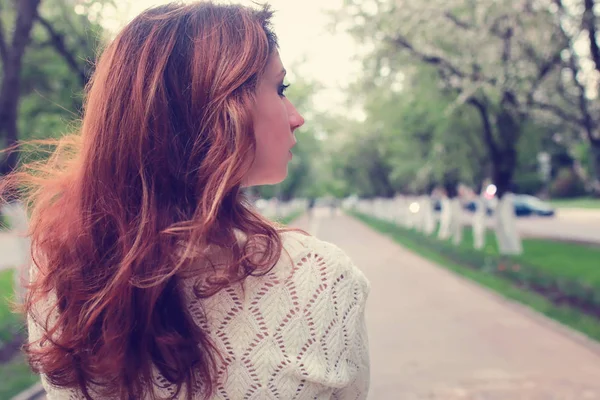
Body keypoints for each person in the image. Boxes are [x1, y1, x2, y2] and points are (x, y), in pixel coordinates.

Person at [1, 2, 370, 399]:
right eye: (280, 89)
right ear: (217, 110)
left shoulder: (62, 273)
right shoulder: (319, 279)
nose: (296, 117)